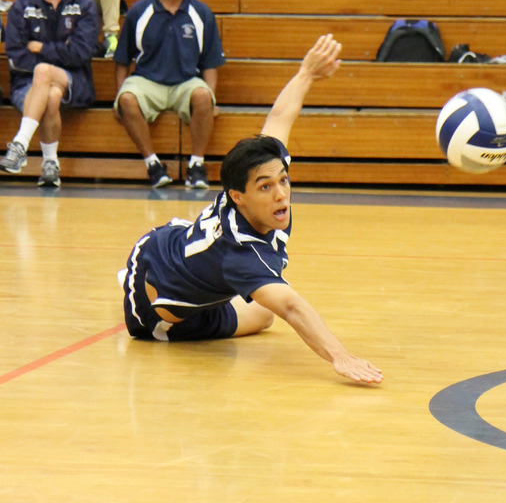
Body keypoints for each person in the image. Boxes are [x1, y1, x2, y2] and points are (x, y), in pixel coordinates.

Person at [120, 35, 384, 385]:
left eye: (284, 181)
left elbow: (278, 117)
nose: (281, 194)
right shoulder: (242, 253)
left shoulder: (258, 173)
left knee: (263, 316)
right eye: (266, 186)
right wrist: (341, 356)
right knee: (273, 307)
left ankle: (189, 269)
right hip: (159, 315)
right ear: (238, 196)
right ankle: (137, 283)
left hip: (176, 244)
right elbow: (292, 306)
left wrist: (307, 73)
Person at [113, 0, 225, 190]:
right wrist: (119, 95)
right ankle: (153, 165)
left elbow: (210, 64)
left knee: (204, 95)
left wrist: (211, 99)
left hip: (186, 81)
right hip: (147, 80)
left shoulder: (201, 13)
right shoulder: (140, 11)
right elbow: (122, 59)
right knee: (128, 99)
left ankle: (196, 166)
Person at [0, 0, 99, 187]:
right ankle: (50, 164)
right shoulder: (22, 6)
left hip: (75, 80)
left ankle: (20, 144)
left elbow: (80, 54)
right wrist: (60, 51)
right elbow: (16, 56)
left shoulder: (84, 5)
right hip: (26, 83)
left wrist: (42, 48)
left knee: (43, 70)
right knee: (51, 94)